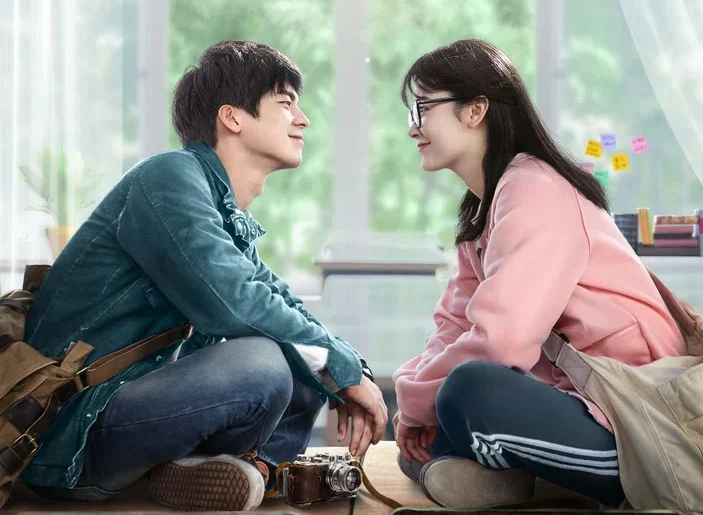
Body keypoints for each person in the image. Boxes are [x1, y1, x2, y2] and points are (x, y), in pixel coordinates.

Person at [20, 40, 387, 512]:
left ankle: (240, 472)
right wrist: (343, 370)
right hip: (77, 433)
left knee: (300, 357)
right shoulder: (169, 177)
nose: (303, 119)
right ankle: (224, 466)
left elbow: (279, 302)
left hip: (130, 411)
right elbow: (234, 302)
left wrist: (352, 371)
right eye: (285, 103)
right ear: (232, 118)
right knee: (266, 362)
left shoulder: (222, 210)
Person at [391, 39, 686, 510]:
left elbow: (501, 342)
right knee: (431, 418)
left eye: (423, 108)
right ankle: (501, 476)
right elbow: (453, 328)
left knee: (467, 390)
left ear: (475, 110)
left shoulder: (534, 188)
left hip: (636, 417)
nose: (413, 127)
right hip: (578, 403)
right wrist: (411, 399)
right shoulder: (484, 211)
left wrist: (416, 405)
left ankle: (501, 476)